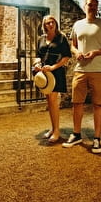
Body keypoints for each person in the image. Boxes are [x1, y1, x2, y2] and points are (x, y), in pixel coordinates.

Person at [62, 0, 101, 154]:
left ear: (97, 8)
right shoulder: (77, 25)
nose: (92, 7)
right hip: (80, 69)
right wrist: (77, 52)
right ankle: (76, 134)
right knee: (77, 103)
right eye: (89, 5)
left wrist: (96, 52)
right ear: (84, 6)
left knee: (98, 104)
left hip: (99, 70)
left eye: (94, 5)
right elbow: (73, 45)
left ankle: (97, 139)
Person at [33, 15, 71, 143]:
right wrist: (37, 64)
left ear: (56, 24)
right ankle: (53, 128)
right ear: (44, 25)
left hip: (56, 72)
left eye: (52, 22)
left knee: (53, 101)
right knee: (49, 101)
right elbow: (37, 55)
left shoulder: (61, 38)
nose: (50, 25)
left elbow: (66, 57)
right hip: (44, 73)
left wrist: (53, 67)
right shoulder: (41, 39)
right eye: (48, 23)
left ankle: (56, 131)